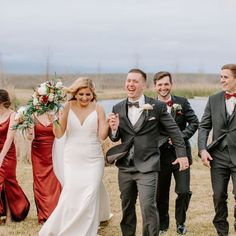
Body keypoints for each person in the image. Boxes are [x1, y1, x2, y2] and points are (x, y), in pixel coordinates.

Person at [107, 68, 189, 236]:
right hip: (125, 167)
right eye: (128, 80)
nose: (130, 84)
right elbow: (116, 137)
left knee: (148, 207)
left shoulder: (157, 106)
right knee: (127, 207)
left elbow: (175, 132)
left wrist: (182, 155)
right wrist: (114, 130)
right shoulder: (117, 107)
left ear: (143, 85)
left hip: (148, 165)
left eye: (135, 81)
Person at [39, 77, 110, 236]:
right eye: (81, 94)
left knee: (91, 192)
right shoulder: (67, 106)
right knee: (71, 191)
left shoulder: (98, 108)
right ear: (75, 94)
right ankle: (67, 226)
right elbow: (59, 134)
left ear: (93, 94)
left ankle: (87, 230)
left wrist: (110, 125)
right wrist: (54, 121)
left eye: (88, 94)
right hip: (72, 157)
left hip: (93, 158)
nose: (84, 98)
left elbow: (103, 135)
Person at [153, 71, 199, 235]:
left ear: (171, 84)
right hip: (160, 156)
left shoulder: (182, 102)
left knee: (183, 191)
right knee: (161, 194)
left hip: (181, 155)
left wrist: (181, 136)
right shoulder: (150, 105)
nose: (163, 87)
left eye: (166, 84)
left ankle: (181, 222)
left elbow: (194, 123)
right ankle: (163, 225)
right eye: (160, 84)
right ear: (155, 86)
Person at [198, 64, 236, 236]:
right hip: (218, 157)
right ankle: (222, 232)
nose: (222, 80)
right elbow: (204, 126)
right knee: (219, 196)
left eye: (225, 77)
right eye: (221, 77)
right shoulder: (213, 100)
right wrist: (202, 149)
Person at [0, 89, 30, 224]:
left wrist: (1, 157)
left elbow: (9, 138)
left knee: (8, 182)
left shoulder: (13, 115)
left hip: (8, 154)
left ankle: (10, 214)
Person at [26, 113, 61, 224]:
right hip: (38, 152)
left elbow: (61, 134)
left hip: (54, 151)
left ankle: (56, 213)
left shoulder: (57, 112)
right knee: (40, 181)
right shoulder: (32, 115)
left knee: (55, 182)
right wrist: (30, 132)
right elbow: (29, 137)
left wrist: (56, 120)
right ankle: (43, 214)